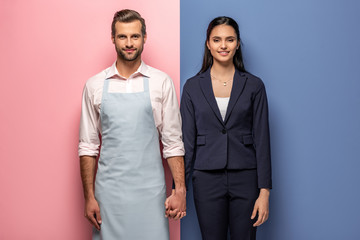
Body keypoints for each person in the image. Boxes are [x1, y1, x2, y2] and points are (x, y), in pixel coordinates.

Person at [78, 9, 186, 240]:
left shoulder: (161, 82)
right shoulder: (94, 85)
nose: (129, 43)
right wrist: (89, 196)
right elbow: (88, 146)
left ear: (144, 38)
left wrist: (180, 190)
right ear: (113, 38)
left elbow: (173, 142)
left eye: (135, 36)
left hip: (151, 194)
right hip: (108, 196)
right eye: (122, 37)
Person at [181, 16, 272, 240]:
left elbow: (262, 139)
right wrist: (179, 188)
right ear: (208, 44)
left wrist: (264, 191)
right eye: (217, 40)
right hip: (206, 179)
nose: (223, 45)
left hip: (246, 178)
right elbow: (187, 142)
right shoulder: (192, 87)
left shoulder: (254, 85)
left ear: (238, 44)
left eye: (230, 40)